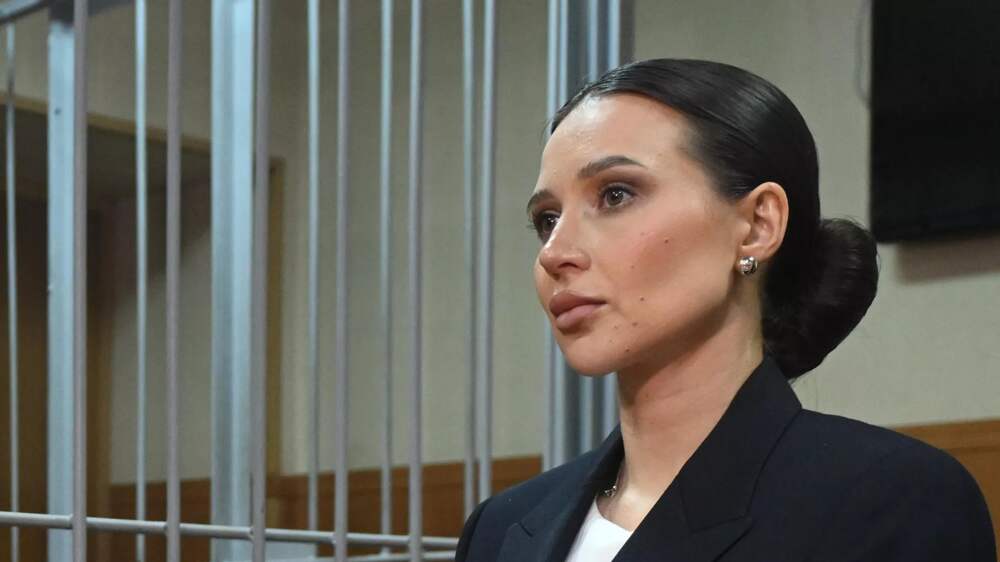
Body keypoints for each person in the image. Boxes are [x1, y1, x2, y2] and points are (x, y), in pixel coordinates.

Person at [455, 59, 996, 561]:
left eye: (616, 194)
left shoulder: (892, 501)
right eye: (547, 220)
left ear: (758, 225)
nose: (554, 254)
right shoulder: (499, 530)